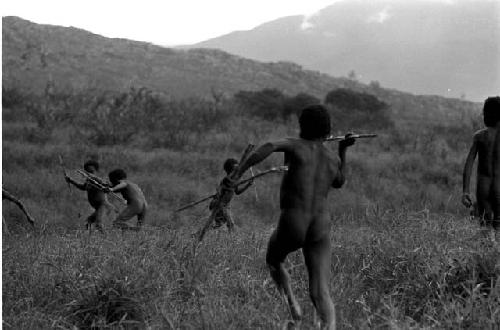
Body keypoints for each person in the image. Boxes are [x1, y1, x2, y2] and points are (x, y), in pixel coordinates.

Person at [230, 104, 355, 329]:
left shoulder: (295, 146)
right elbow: (340, 181)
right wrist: (343, 150)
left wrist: (238, 172)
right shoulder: (331, 157)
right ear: (328, 130)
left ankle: (293, 308)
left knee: (274, 260)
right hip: (320, 226)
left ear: (302, 126)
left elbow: (268, 146)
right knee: (320, 291)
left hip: (294, 221)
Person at [462, 96, 500, 231]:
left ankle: (487, 248)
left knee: (485, 226)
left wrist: (465, 191)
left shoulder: (479, 136)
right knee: (498, 226)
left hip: (483, 187)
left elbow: (468, 165)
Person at [197, 158, 253, 241]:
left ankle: (198, 234)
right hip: (220, 204)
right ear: (230, 170)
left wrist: (248, 185)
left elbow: (237, 192)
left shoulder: (234, 180)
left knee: (218, 224)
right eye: (235, 169)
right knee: (231, 224)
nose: (237, 171)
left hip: (225, 205)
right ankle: (232, 241)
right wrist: (219, 195)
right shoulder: (226, 180)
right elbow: (219, 189)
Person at [65, 160, 115, 232]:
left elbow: (108, 185)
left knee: (99, 223)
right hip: (98, 207)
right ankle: (89, 239)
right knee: (88, 222)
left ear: (95, 170)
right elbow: (83, 187)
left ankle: (106, 238)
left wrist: (104, 185)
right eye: (88, 171)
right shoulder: (89, 181)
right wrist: (71, 181)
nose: (90, 173)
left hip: (103, 205)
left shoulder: (99, 180)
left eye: (91, 171)